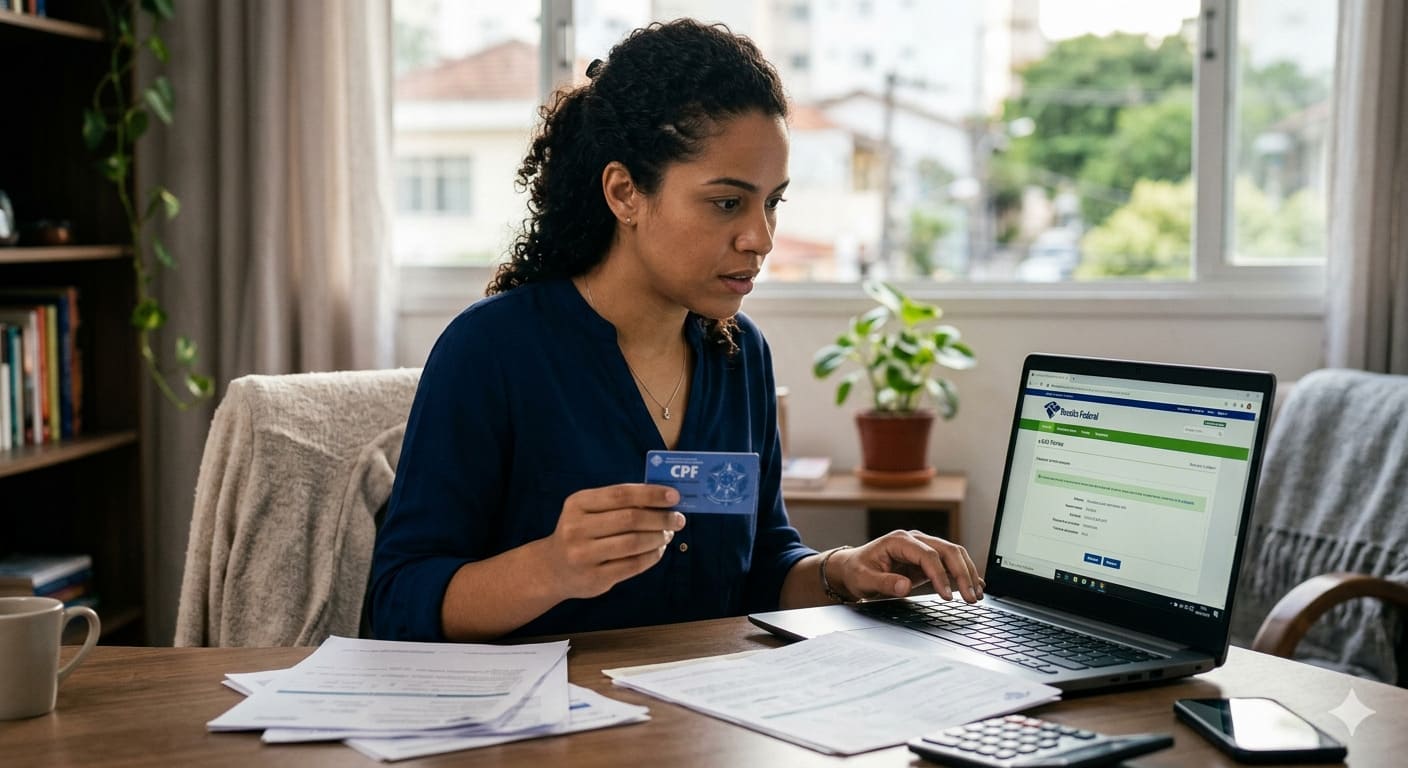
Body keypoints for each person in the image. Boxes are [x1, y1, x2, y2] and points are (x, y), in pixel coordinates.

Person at [369, 19, 982, 643]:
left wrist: (841, 571)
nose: (760, 238)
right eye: (726, 203)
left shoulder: (740, 357)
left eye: (773, 202)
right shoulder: (491, 351)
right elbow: (398, 600)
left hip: (705, 722)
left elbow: (764, 564)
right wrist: (550, 568)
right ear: (625, 193)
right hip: (540, 727)